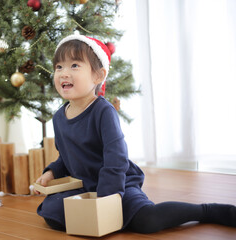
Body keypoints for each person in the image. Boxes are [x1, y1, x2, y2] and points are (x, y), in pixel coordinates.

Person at [35, 34, 236, 233]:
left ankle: (207, 211)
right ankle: (111, 218)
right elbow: (67, 156)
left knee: (147, 220)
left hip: (116, 183)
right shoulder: (59, 117)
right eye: (59, 67)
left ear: (98, 76)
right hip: (85, 187)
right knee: (51, 213)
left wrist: (106, 199)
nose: (64, 73)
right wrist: (51, 172)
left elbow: (116, 157)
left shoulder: (103, 111)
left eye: (75, 66)